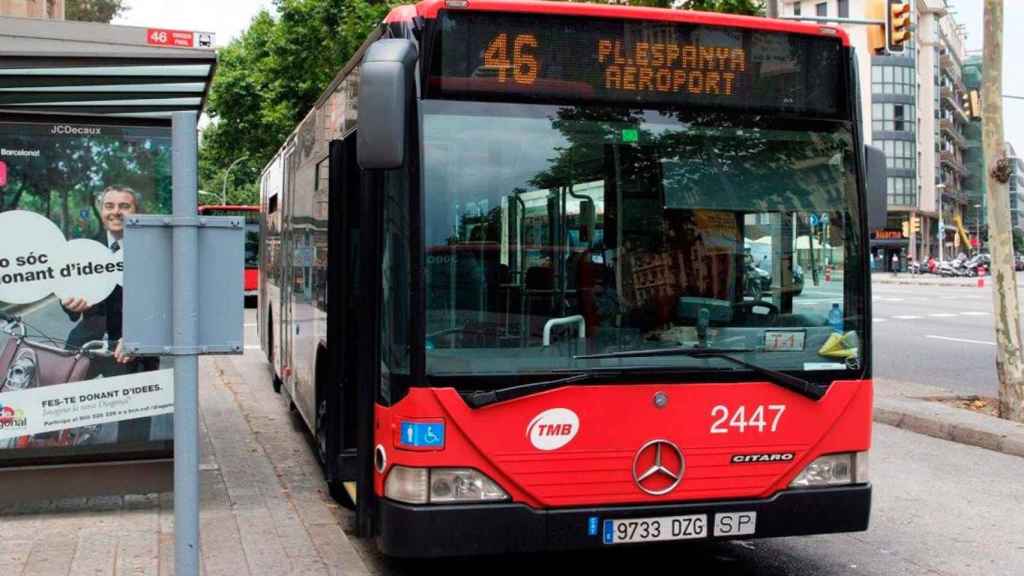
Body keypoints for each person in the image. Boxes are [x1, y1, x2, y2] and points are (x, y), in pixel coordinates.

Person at [61, 185, 160, 442]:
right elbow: (66, 292)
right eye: (109, 206)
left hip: (132, 346)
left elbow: (162, 302)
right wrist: (70, 304)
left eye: (124, 206)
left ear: (136, 211)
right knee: (61, 411)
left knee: (134, 424)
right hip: (86, 343)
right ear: (101, 210)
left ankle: (133, 473)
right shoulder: (82, 248)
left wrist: (137, 336)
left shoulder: (153, 250)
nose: (116, 212)